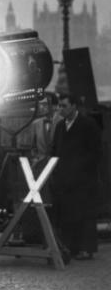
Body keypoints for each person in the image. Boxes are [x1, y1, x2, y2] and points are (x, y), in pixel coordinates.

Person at [50, 93, 102, 260]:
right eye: (59, 106)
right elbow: (54, 151)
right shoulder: (59, 126)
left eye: (64, 106)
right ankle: (70, 248)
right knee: (68, 215)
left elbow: (95, 152)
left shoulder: (88, 124)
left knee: (85, 215)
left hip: (84, 180)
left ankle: (86, 249)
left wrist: (79, 168)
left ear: (74, 106)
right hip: (64, 181)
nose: (60, 109)